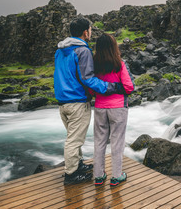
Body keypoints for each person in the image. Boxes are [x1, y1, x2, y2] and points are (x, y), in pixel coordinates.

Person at [54, 17, 122, 185]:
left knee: (73, 136)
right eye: (90, 30)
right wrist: (112, 87)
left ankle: (77, 165)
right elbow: (88, 79)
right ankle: (71, 175)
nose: (91, 32)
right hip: (77, 101)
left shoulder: (60, 50)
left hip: (63, 101)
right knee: (74, 140)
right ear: (85, 32)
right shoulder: (82, 51)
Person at [91, 33, 134, 187]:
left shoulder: (94, 65)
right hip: (118, 108)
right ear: (114, 46)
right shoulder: (119, 64)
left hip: (100, 108)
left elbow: (91, 88)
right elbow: (129, 87)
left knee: (99, 141)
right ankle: (116, 176)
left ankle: (99, 176)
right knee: (117, 142)